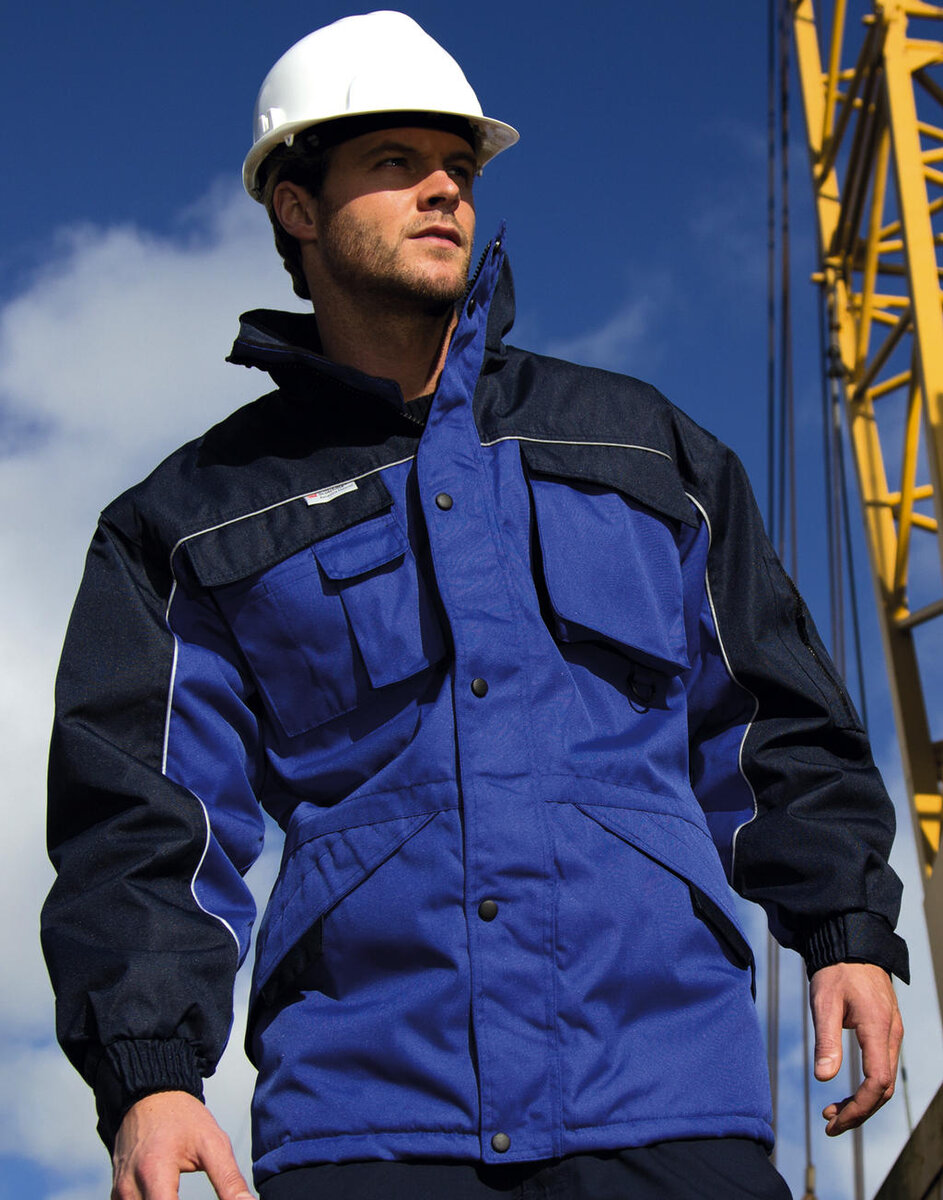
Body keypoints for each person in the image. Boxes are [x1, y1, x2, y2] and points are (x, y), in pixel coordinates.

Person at [42, 12, 908, 1200]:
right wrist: (150, 1073)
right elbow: (144, 822)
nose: (444, 189)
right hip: (368, 1120)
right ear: (297, 207)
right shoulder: (193, 520)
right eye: (395, 163)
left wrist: (843, 928)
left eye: (457, 165)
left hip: (663, 1095)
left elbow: (772, 719)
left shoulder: (644, 448)